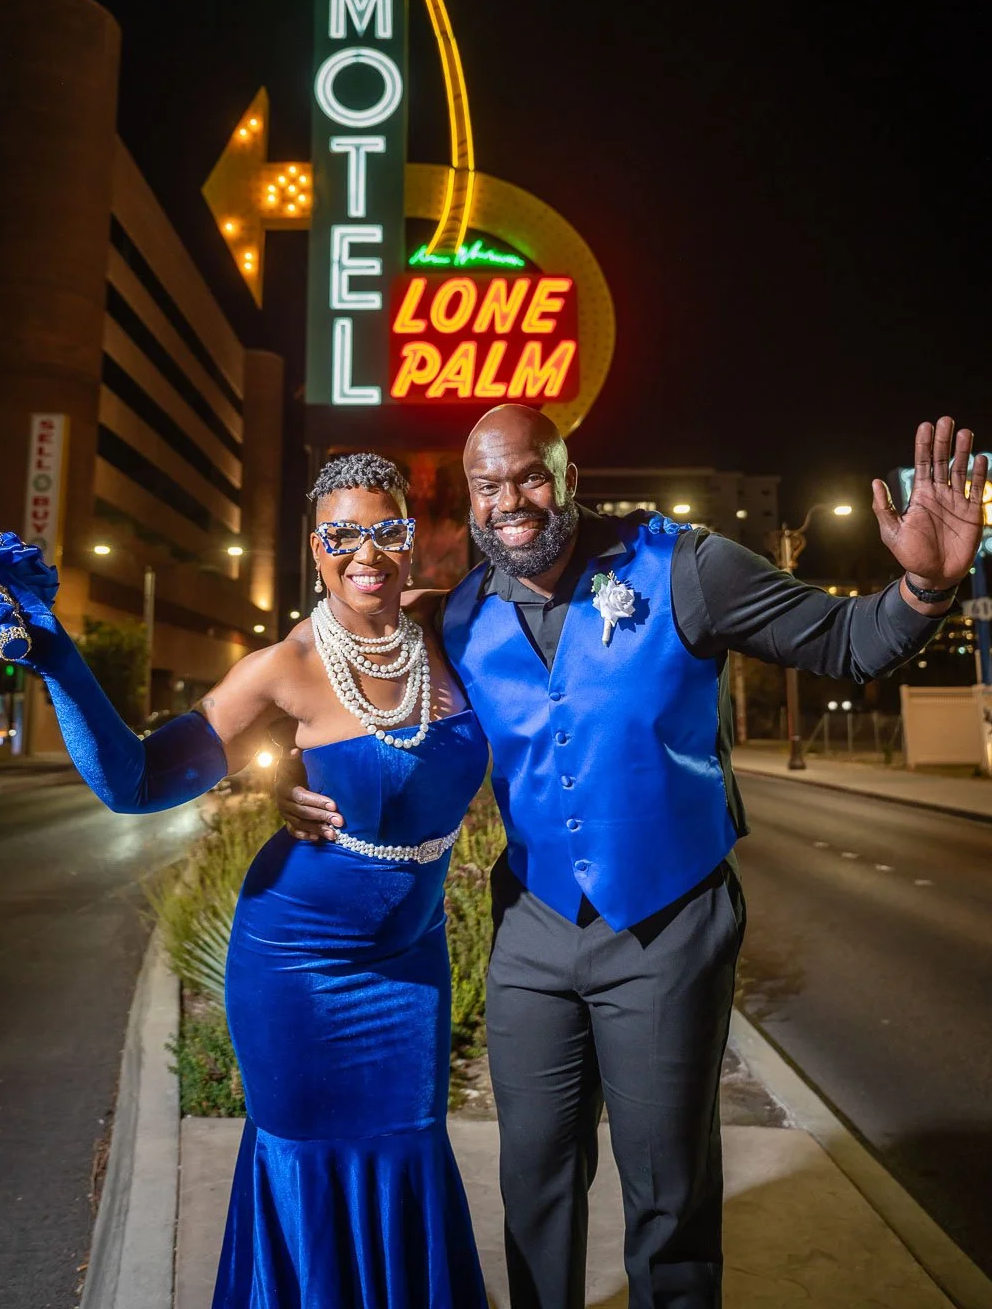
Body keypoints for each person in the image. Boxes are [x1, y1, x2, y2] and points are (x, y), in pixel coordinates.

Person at [282, 409, 986, 1309]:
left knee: (666, 1192)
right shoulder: (457, 615)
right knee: (533, 1182)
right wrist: (279, 772)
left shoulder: (689, 567)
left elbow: (847, 643)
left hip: (668, 925)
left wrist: (923, 590)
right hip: (531, 932)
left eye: (530, 477)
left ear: (570, 475)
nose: (511, 503)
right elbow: (329, 665)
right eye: (489, 487)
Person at [0, 454, 490, 1309]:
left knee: (409, 1146)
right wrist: (55, 658)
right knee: (302, 1161)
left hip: (410, 962)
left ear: (410, 543)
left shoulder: (449, 626)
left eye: (385, 530)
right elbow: (139, 784)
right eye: (342, 534)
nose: (365, 552)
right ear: (314, 547)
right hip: (297, 964)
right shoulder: (281, 669)